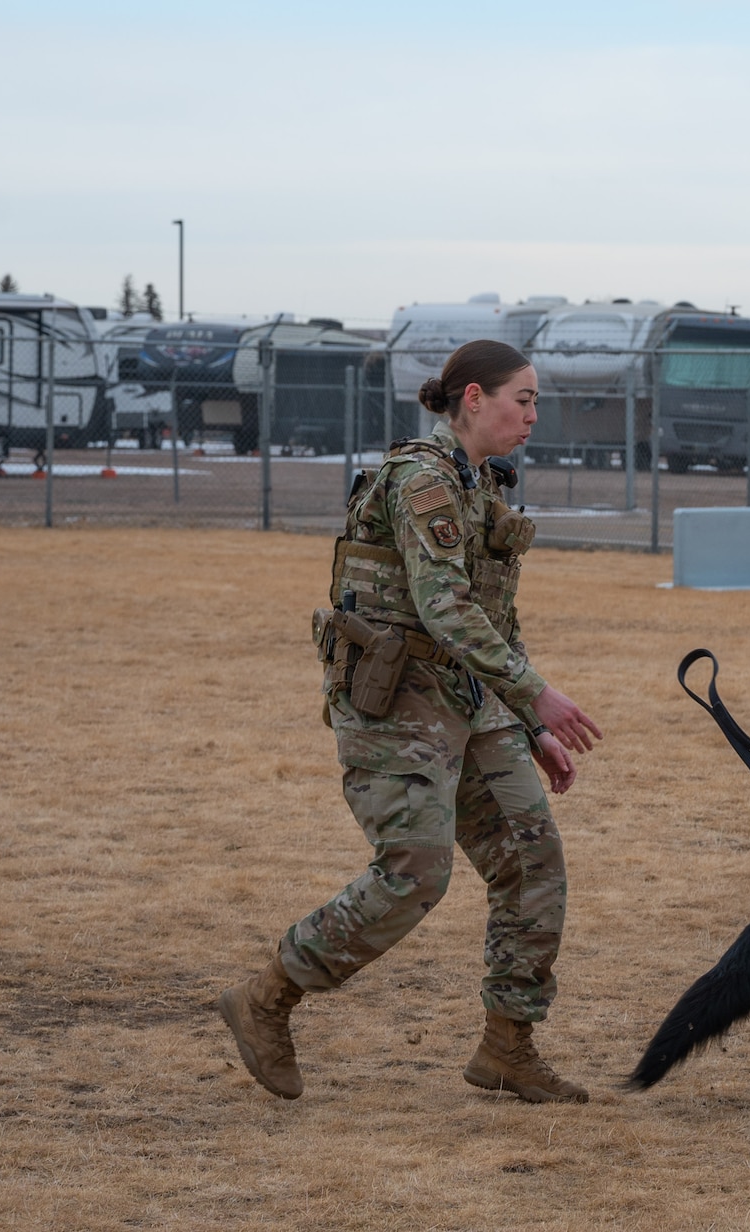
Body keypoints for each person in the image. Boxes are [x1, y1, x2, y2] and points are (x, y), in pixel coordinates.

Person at [219, 339, 603, 1104]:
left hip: (470, 699)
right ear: (471, 399)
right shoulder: (421, 479)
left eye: (533, 401)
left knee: (533, 860)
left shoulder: (481, 484)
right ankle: (267, 997)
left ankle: (508, 1044)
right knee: (415, 873)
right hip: (399, 703)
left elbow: (495, 611)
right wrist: (537, 696)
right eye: (520, 398)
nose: (532, 413)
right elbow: (443, 606)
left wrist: (531, 728)